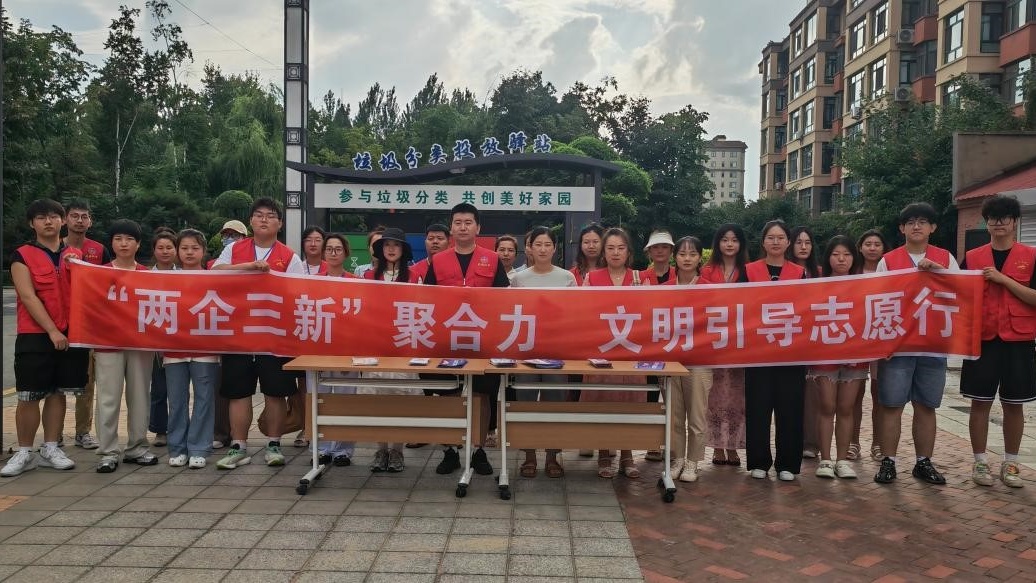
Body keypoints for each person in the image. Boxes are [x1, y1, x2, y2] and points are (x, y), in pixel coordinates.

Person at [212, 197, 307, 470]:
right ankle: (239, 446)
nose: (264, 219)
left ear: (280, 223)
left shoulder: (289, 256)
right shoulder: (234, 249)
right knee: (238, 393)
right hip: (238, 334)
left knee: (275, 393)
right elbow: (215, 273)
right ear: (251, 221)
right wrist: (248, 267)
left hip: (273, 337)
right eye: (259, 215)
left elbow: (298, 293)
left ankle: (274, 444)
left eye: (271, 215)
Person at [873, 202, 959, 486]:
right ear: (902, 228)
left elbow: (962, 291)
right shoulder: (888, 260)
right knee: (892, 405)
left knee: (926, 405)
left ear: (933, 227)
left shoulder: (945, 257)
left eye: (922, 221)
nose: (916, 226)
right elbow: (876, 299)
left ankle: (923, 462)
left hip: (933, 345)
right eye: (910, 222)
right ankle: (888, 461)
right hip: (898, 346)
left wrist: (939, 271)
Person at [423, 203, 510, 476]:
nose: (463, 227)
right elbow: (426, 299)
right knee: (446, 393)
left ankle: (478, 450)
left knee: (483, 395)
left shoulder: (492, 259)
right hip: (445, 339)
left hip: (483, 340)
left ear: (478, 227)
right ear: (451, 228)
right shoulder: (438, 261)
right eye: (458, 222)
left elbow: (504, 299)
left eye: (468, 222)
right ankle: (450, 450)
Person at [2, 199, 83, 477]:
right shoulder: (22, 255)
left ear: (63, 220)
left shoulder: (75, 255)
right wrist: (52, 330)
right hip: (35, 335)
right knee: (29, 394)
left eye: (53, 216)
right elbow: (28, 296)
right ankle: (24, 451)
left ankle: (50, 448)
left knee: (58, 392)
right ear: (31, 223)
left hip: (70, 333)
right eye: (41, 218)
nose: (48, 222)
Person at [961, 195, 1036, 488]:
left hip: (1018, 339)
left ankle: (1011, 463)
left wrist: (1004, 280)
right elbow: (956, 292)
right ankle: (980, 462)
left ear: (1015, 222)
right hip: (982, 338)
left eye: (1004, 217)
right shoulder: (973, 257)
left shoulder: (1031, 256)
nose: (998, 223)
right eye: (992, 218)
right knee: (979, 402)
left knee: (1014, 404)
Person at [510, 226, 577, 478]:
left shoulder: (566, 278)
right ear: (529, 248)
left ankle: (552, 456)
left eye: (547, 244)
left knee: (555, 403)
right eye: (538, 244)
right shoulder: (519, 279)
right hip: (526, 350)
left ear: (555, 248)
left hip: (557, 351)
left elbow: (576, 313)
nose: (542, 249)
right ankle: (529, 455)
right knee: (525, 402)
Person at [744, 220, 807, 482]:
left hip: (791, 352)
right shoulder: (749, 270)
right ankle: (759, 461)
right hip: (757, 351)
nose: (776, 242)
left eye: (781, 237)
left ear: (788, 242)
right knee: (758, 406)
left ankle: (787, 464)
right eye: (771, 237)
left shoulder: (800, 273)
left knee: (790, 407)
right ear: (763, 242)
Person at [93, 219, 158, 473]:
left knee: (140, 396)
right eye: (118, 239)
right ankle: (107, 451)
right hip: (107, 343)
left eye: (130, 239)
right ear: (111, 243)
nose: (124, 244)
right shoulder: (97, 273)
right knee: (108, 398)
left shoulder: (148, 275)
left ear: (138, 244)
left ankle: (137, 447)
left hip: (140, 344)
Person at [583, 227, 647, 479]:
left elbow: (650, 314)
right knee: (603, 401)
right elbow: (583, 312)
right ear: (603, 252)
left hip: (631, 351)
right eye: (610, 248)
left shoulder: (640, 278)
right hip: (602, 351)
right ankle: (603, 452)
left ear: (629, 252)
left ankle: (627, 454)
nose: (615, 253)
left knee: (629, 402)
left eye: (621, 248)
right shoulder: (592, 278)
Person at [363, 227, 423, 472]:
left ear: (403, 250)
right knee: (376, 400)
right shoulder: (369, 276)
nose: (390, 249)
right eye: (386, 244)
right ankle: (380, 450)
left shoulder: (414, 277)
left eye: (396, 245)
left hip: (403, 345)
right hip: (375, 345)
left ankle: (397, 451)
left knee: (400, 400)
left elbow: (421, 308)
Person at [811, 236, 865, 479]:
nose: (841, 259)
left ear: (854, 258)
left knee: (846, 408)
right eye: (836, 254)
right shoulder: (817, 284)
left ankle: (842, 460)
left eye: (847, 254)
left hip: (855, 354)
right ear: (828, 257)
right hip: (824, 353)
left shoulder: (866, 284)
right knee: (827, 406)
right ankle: (825, 459)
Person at [163, 229, 218, 469]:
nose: (189, 252)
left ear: (203, 252)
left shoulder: (214, 279)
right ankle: (177, 447)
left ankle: (199, 447)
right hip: (174, 349)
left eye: (195, 248)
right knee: (176, 399)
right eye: (184, 248)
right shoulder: (165, 279)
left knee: (204, 398)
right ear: (177, 251)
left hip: (205, 348)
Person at [63, 199, 111, 451]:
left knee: (87, 382)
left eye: (84, 216)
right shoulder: (55, 248)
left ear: (90, 221)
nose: (79, 220)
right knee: (57, 382)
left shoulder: (99, 250)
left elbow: (110, 283)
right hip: (61, 324)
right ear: (65, 219)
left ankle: (83, 432)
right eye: (74, 216)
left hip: (91, 325)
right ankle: (53, 436)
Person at [699, 224, 748, 468]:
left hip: (740, 342)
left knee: (737, 397)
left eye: (734, 240)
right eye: (725, 239)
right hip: (714, 342)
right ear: (717, 243)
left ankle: (733, 446)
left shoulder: (748, 271)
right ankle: (718, 446)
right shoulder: (707, 271)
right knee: (715, 396)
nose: (729, 244)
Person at [667, 236, 714, 482]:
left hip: (699, 360)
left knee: (696, 416)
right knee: (674, 415)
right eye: (682, 254)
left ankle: (693, 462)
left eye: (692, 254)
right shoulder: (665, 288)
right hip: (671, 360)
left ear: (699, 258)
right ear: (675, 257)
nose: (687, 258)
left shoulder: (709, 288)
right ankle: (677, 459)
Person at [315, 233, 359, 467]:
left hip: (347, 349)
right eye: (329, 249)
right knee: (320, 398)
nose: (333, 253)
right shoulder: (312, 282)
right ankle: (321, 448)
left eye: (338, 249)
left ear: (346, 253)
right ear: (323, 253)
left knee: (345, 399)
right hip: (319, 349)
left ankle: (343, 449)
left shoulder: (355, 281)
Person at [638, 229, 676, 461]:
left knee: (674, 398)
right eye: (656, 247)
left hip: (675, 344)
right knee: (651, 394)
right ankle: (652, 443)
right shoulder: (639, 277)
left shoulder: (683, 276)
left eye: (665, 247)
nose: (660, 251)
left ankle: (672, 443)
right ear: (649, 252)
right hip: (649, 345)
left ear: (671, 251)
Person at [209, 219, 247, 449]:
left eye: (234, 235)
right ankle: (220, 432)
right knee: (221, 384)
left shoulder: (258, 263)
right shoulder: (213, 264)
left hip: (247, 330)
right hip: (221, 330)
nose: (229, 239)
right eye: (226, 235)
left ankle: (236, 434)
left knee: (238, 387)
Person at [854, 229, 889, 462]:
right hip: (855, 340)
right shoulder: (852, 272)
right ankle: (852, 442)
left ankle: (878, 443)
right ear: (860, 247)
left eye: (877, 244)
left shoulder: (892, 272)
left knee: (879, 396)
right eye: (868, 243)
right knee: (853, 395)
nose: (873, 248)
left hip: (880, 339)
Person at [789, 226, 822, 462]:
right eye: (798, 242)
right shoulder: (784, 272)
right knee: (790, 395)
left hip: (814, 339)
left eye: (807, 242)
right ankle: (791, 441)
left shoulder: (819, 273)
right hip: (788, 340)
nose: (803, 247)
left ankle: (811, 442)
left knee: (813, 395)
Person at [148, 228, 178, 448]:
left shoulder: (187, 275)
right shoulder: (143, 276)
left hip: (181, 340)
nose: (165, 251)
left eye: (169, 247)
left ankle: (179, 429)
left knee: (179, 391)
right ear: (154, 250)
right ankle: (160, 430)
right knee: (159, 389)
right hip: (155, 340)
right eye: (161, 248)